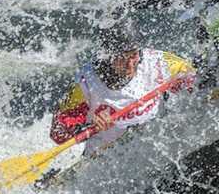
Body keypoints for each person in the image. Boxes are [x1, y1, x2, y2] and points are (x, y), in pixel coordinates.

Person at [49, 28, 196, 154]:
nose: (130, 64)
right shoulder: (85, 84)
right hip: (107, 157)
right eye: (122, 58)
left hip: (156, 144)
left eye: (133, 55)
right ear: (108, 56)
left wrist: (185, 82)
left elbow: (192, 76)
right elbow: (58, 133)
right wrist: (88, 126)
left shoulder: (158, 62)